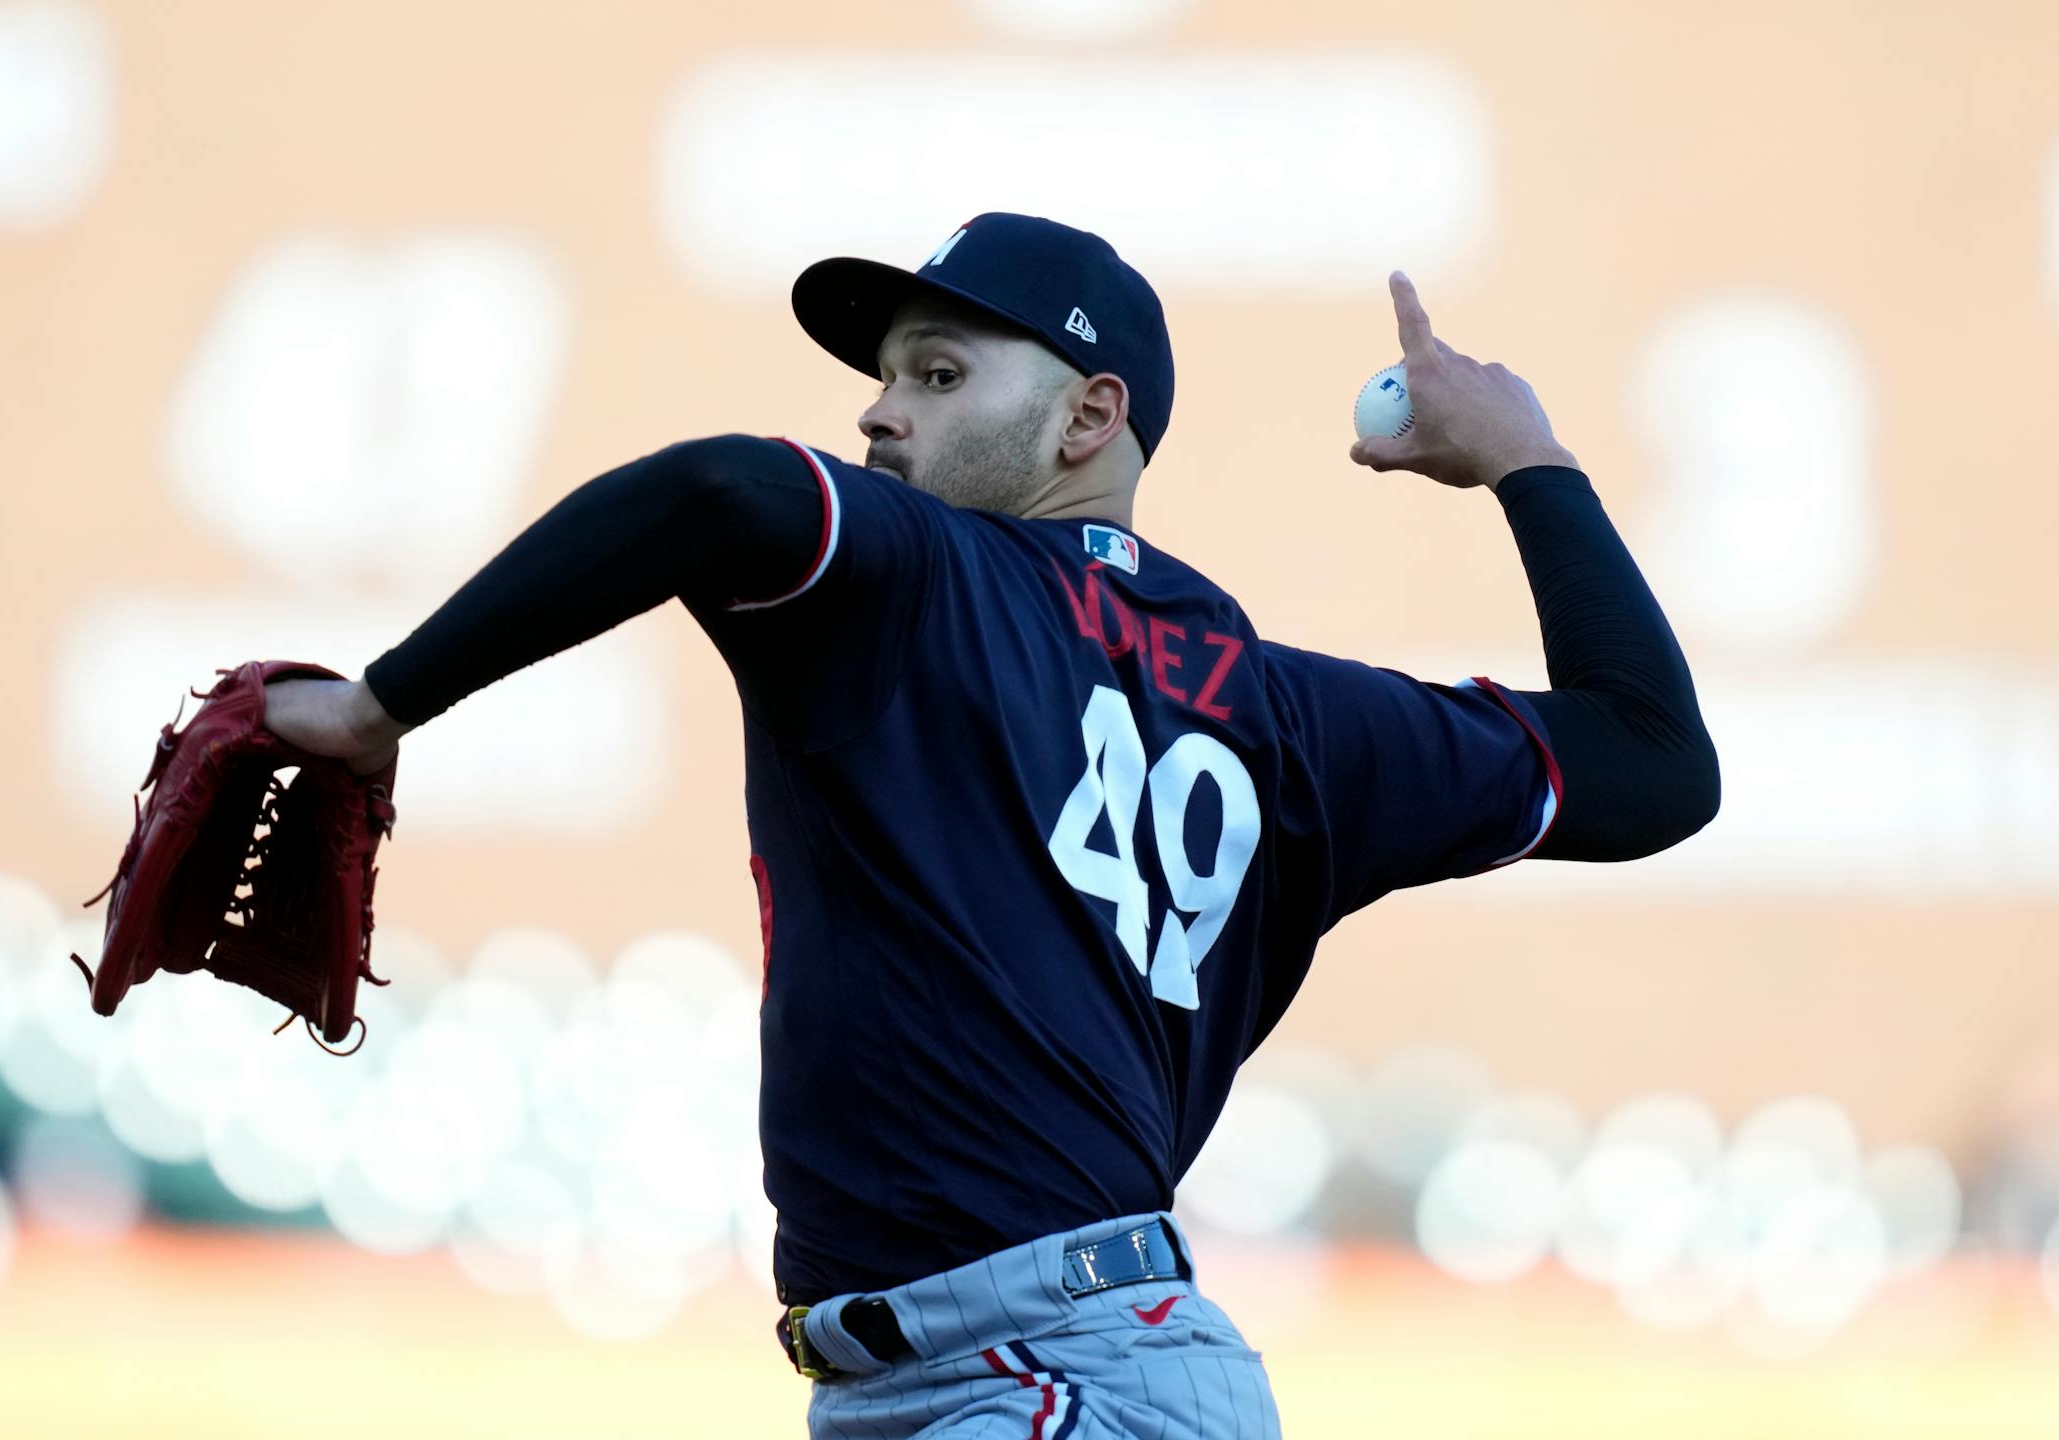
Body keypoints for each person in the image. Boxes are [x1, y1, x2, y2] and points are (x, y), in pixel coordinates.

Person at [262, 212, 1718, 1437]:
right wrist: (1529, 462)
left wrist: (388, 702)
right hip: (1047, 1374)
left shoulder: (916, 582)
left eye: (941, 373)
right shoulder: (1297, 723)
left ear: (1091, 416)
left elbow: (716, 489)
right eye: (886, 380)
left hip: (1051, 1375)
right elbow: (1653, 760)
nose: (881, 413)